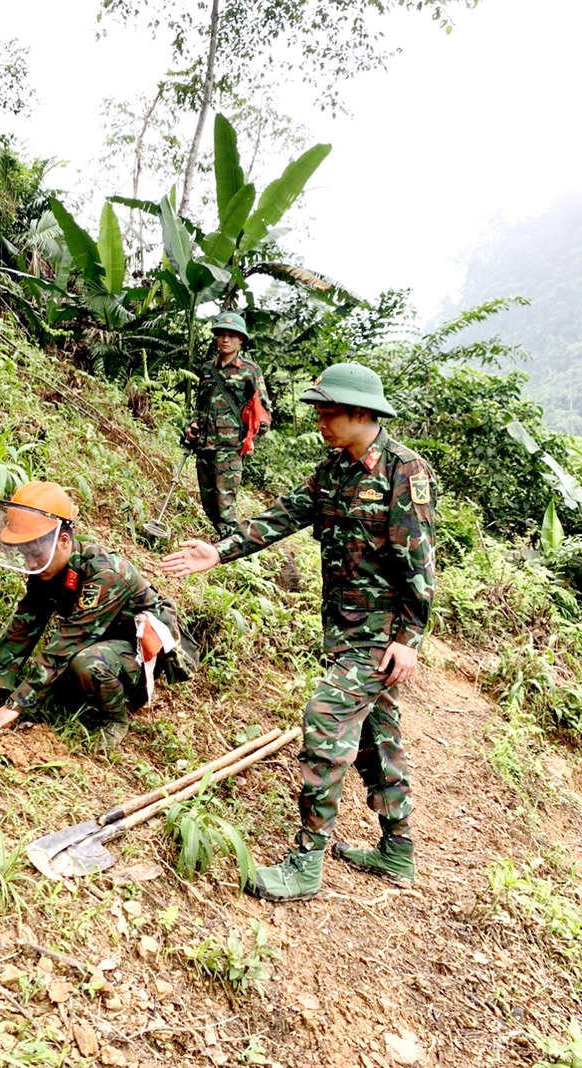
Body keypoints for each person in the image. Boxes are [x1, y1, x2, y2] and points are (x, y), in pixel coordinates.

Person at [162, 362, 436, 901]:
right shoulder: (333, 469)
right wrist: (219, 550)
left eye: (328, 412)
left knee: (326, 719)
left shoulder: (405, 472)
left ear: (362, 413)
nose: (320, 422)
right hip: (345, 629)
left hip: (380, 636)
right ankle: (397, 851)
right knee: (377, 739)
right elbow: (283, 515)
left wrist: (409, 640)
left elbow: (420, 564)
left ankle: (306, 862)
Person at [0, 480, 180, 748]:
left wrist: (15, 705)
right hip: (98, 635)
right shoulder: (46, 568)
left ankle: (117, 717)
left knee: (86, 663)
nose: (30, 564)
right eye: (24, 555)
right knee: (71, 668)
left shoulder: (105, 574)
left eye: (35, 554)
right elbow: (23, 626)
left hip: (139, 649)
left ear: (64, 541)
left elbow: (69, 642)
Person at [185, 310, 271, 539]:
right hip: (204, 446)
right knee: (208, 502)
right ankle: (222, 541)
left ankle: (229, 546)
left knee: (225, 504)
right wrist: (193, 426)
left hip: (230, 448)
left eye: (232, 335)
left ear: (240, 340)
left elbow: (264, 413)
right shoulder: (206, 369)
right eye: (221, 334)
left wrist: (250, 441)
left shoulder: (250, 370)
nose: (225, 339)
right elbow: (199, 405)